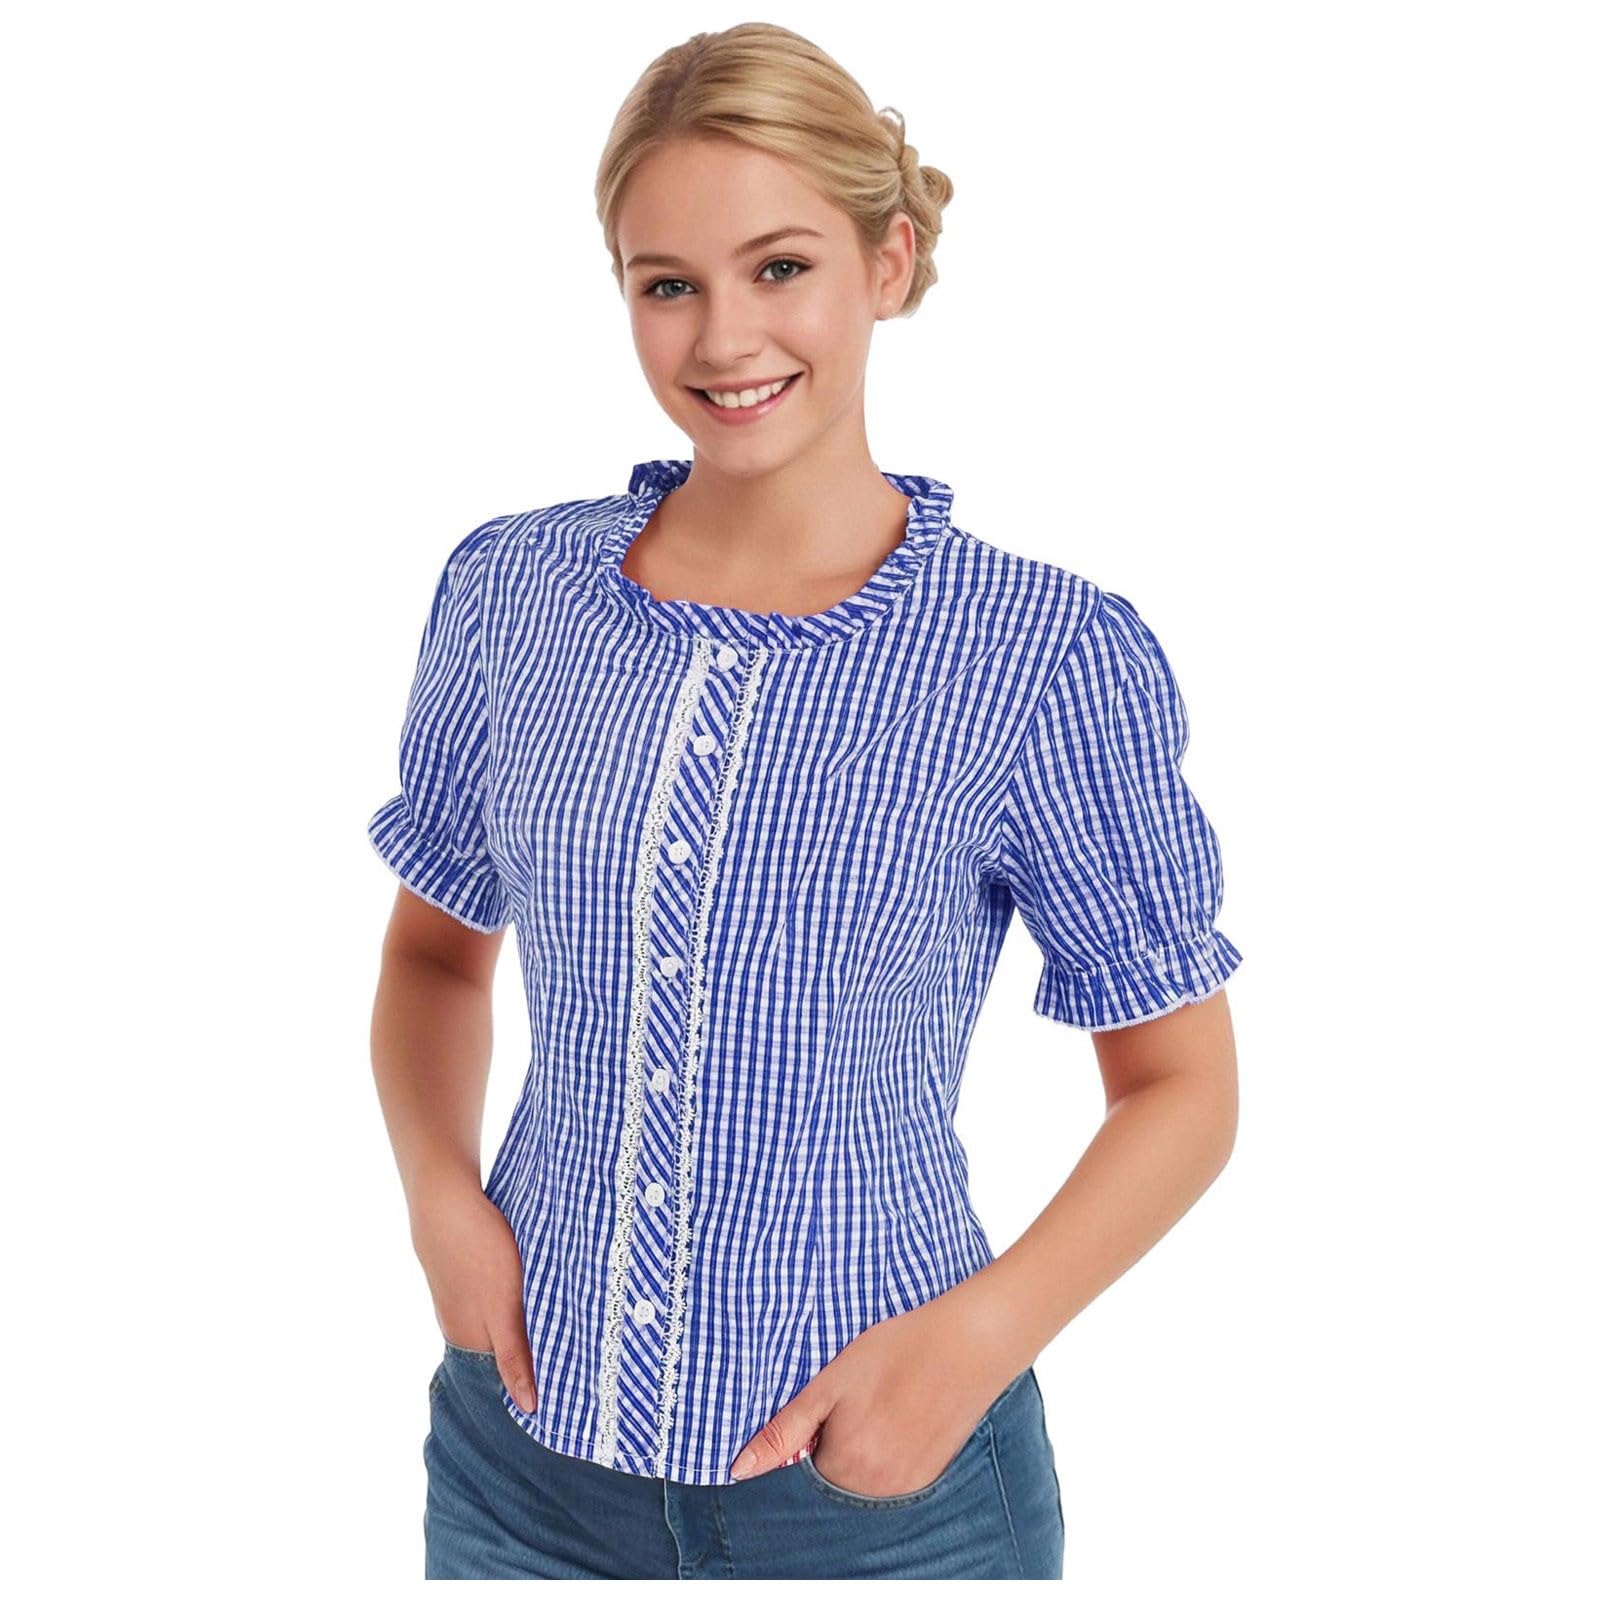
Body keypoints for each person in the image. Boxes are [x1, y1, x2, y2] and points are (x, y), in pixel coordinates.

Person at [367, 21, 1243, 1582]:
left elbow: (1182, 1086)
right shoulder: (510, 595)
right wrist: (440, 1195)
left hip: (885, 1492)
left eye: (780, 268)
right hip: (520, 1471)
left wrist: (972, 1348)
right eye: (667, 285)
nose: (724, 340)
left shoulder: (1041, 656)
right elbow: (435, 955)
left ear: (887, 263)